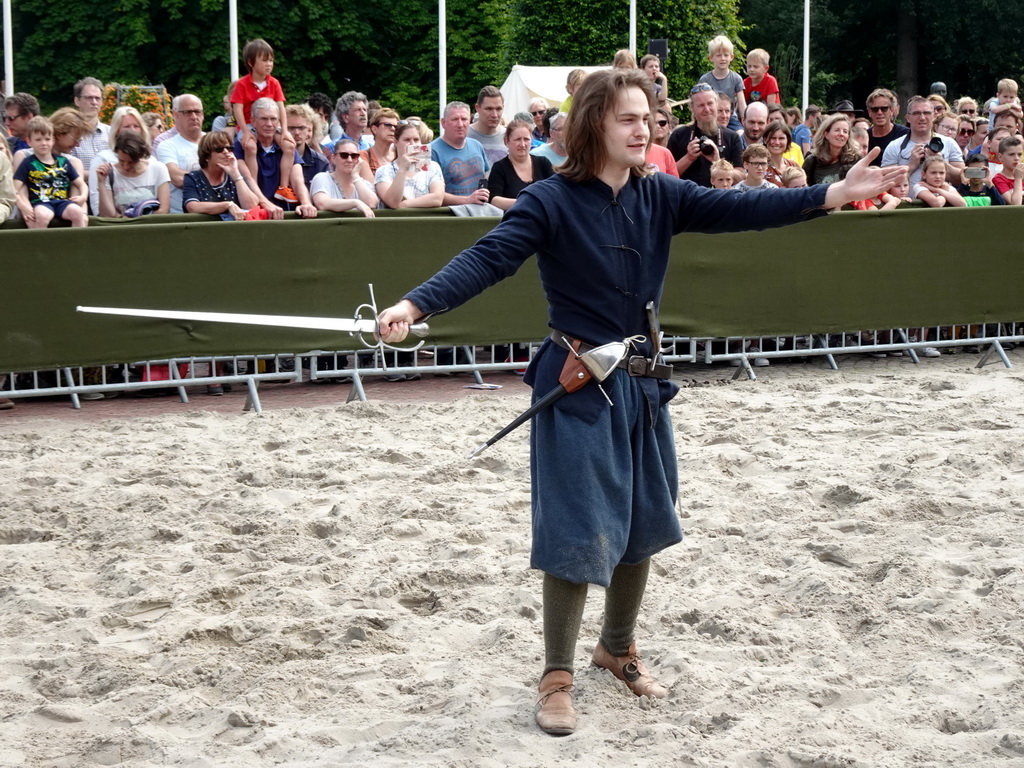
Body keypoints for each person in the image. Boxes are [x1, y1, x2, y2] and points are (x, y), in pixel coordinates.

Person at [376, 67, 904, 737]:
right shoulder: (549, 200)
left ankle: (617, 648)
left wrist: (830, 194)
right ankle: (557, 676)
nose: (644, 129)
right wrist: (414, 304)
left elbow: (745, 209)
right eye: (628, 117)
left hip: (642, 382)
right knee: (574, 528)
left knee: (644, 519)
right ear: (595, 123)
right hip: (575, 383)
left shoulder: (662, 195)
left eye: (648, 118)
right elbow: (488, 258)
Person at [231, 39, 298, 205]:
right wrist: (245, 132)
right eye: (264, 60)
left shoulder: (274, 83)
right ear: (250, 62)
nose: (269, 64)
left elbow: (281, 107)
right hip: (249, 124)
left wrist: (284, 130)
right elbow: (237, 109)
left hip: (271, 124)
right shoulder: (242, 84)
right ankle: (255, 189)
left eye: (271, 60)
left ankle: (283, 187)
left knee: (289, 145)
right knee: (251, 147)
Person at [235, 97, 317, 219]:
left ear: (278, 122)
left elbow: (297, 180)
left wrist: (306, 203)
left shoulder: (286, 147)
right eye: (264, 119)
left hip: (284, 214)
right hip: (255, 215)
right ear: (253, 121)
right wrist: (265, 204)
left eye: (273, 119)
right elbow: (247, 178)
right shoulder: (240, 146)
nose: (269, 124)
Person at [13, 116, 88, 228]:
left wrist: (83, 196)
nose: (44, 143)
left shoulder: (63, 161)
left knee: (77, 212)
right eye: (38, 140)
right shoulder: (27, 163)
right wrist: (23, 205)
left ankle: (78, 243)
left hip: (62, 202)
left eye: (47, 139)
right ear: (29, 141)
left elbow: (81, 183)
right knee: (42, 216)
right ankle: (39, 244)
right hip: (40, 202)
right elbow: (14, 188)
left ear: (53, 140)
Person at [668, 82, 743, 187]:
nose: (707, 109)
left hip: (721, 199)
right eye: (701, 105)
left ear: (716, 103)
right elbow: (667, 176)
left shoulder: (732, 137)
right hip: (689, 199)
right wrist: (688, 158)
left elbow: (741, 177)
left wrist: (718, 163)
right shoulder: (679, 135)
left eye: (710, 103)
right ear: (692, 108)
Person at [881, 95, 964, 186]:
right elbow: (886, 183)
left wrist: (940, 162)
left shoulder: (949, 143)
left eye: (927, 113)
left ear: (933, 116)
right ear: (908, 118)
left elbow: (962, 180)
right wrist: (910, 166)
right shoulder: (894, 146)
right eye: (917, 113)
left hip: (942, 199)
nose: (922, 118)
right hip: (907, 200)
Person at [86, 105, 152, 217]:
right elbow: (97, 204)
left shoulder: (152, 161)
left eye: (136, 126)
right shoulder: (102, 159)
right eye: (127, 126)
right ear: (116, 131)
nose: (132, 130)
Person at [183, 130, 259, 219]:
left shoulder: (234, 176)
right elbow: (192, 207)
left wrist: (236, 175)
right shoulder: (193, 178)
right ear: (206, 156)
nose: (226, 152)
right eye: (219, 149)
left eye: (229, 148)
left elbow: (251, 205)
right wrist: (227, 205)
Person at [95, 132, 170, 217]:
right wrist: (101, 183)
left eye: (131, 162)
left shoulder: (158, 169)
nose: (126, 166)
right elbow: (107, 215)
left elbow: (163, 210)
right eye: (121, 161)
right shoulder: (109, 172)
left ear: (141, 156)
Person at [431, 101, 491, 206]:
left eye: (464, 119)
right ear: (443, 123)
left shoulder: (477, 145)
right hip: (450, 216)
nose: (460, 124)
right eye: (454, 119)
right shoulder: (432, 151)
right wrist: (467, 200)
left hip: (478, 213)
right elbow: (430, 193)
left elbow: (486, 176)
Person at [487, 118, 555, 210]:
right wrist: (527, 203)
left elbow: (555, 191)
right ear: (507, 141)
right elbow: (494, 200)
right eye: (517, 139)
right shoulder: (500, 167)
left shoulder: (543, 163)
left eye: (526, 139)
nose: (522, 144)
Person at [375, 121, 445, 210]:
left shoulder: (433, 166)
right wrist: (402, 169)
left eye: (416, 140)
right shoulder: (384, 171)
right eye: (407, 140)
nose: (412, 144)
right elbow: (392, 202)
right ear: (396, 142)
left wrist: (405, 204)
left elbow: (437, 198)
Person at [156, 95, 204, 214]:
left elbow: (228, 175)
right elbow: (177, 179)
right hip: (182, 216)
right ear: (175, 115)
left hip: (216, 213)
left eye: (197, 112)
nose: (194, 117)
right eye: (187, 112)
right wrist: (213, 176)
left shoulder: (214, 141)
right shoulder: (166, 146)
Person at [310, 138, 378, 216]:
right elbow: (322, 203)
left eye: (354, 156)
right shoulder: (322, 178)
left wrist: (355, 176)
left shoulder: (363, 184)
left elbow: (372, 203)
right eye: (344, 155)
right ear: (333, 158)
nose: (349, 160)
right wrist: (355, 203)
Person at [699, 35, 745, 130]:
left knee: (740, 135)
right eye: (719, 55)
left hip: (730, 117)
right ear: (711, 58)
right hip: (711, 118)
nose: (723, 58)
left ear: (731, 57)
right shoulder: (705, 80)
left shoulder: (736, 78)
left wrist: (746, 119)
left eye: (726, 55)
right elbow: (700, 102)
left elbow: (741, 103)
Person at [802, 113, 860, 186]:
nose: (841, 134)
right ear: (826, 134)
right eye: (837, 130)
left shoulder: (855, 159)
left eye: (845, 131)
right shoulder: (812, 162)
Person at [68, 77, 110, 175]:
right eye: (89, 98)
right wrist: (97, 173)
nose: (94, 102)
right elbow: (67, 170)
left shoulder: (111, 133)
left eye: (97, 98)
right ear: (77, 101)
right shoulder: (69, 133)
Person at [285, 103, 330, 192]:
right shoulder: (271, 158)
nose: (297, 132)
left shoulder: (321, 163)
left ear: (309, 130)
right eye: (291, 128)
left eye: (301, 128)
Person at [865, 88, 909, 164]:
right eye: (875, 109)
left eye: (884, 108)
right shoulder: (865, 137)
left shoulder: (905, 134)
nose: (879, 112)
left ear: (892, 110)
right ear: (869, 112)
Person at [468, 85, 508, 165]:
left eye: (498, 109)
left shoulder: (510, 136)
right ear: (477, 108)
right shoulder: (464, 136)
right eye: (489, 109)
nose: (494, 115)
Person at [358, 108, 399, 184]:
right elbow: (372, 188)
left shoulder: (399, 155)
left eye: (396, 126)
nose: (393, 129)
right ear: (374, 129)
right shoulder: (363, 157)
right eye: (387, 125)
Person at [763, 121, 801, 187]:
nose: (777, 142)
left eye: (781, 138)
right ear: (765, 140)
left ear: (788, 141)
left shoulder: (794, 166)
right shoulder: (759, 167)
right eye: (773, 138)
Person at [991, 134, 1024, 205]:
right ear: (1000, 157)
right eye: (1011, 154)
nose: (1016, 158)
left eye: (1019, 154)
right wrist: (1018, 179)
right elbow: (1015, 205)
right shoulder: (998, 179)